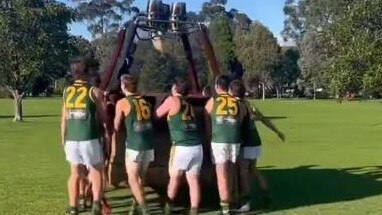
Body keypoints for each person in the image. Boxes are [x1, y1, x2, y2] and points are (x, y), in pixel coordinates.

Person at [228, 79, 285, 212]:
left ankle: (245, 202)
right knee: (253, 170)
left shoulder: (235, 105)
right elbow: (263, 119)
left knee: (243, 173)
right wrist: (277, 131)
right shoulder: (249, 104)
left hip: (246, 143)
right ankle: (267, 197)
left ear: (231, 92)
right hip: (256, 141)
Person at [61, 56, 108, 215]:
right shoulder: (93, 91)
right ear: (87, 72)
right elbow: (103, 118)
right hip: (89, 137)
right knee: (95, 170)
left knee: (74, 173)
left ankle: (73, 207)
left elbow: (64, 118)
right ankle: (96, 204)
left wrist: (63, 138)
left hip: (71, 139)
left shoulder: (66, 91)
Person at [155, 77, 202, 215]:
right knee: (193, 180)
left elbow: (157, 115)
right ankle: (194, 210)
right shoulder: (188, 104)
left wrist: (159, 102)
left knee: (175, 178)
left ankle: (168, 208)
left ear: (175, 88)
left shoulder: (172, 100)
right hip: (197, 146)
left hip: (181, 146)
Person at [204, 75, 246, 215]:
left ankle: (225, 208)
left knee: (221, 174)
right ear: (228, 87)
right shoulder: (237, 101)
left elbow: (206, 116)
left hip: (219, 140)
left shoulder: (213, 100)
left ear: (216, 87)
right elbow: (241, 117)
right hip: (235, 139)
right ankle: (234, 199)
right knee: (232, 171)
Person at [114, 74, 155, 215]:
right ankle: (134, 206)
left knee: (132, 178)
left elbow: (116, 125)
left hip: (134, 144)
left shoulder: (122, 103)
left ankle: (144, 209)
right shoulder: (145, 101)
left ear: (124, 86)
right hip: (148, 144)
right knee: (140, 178)